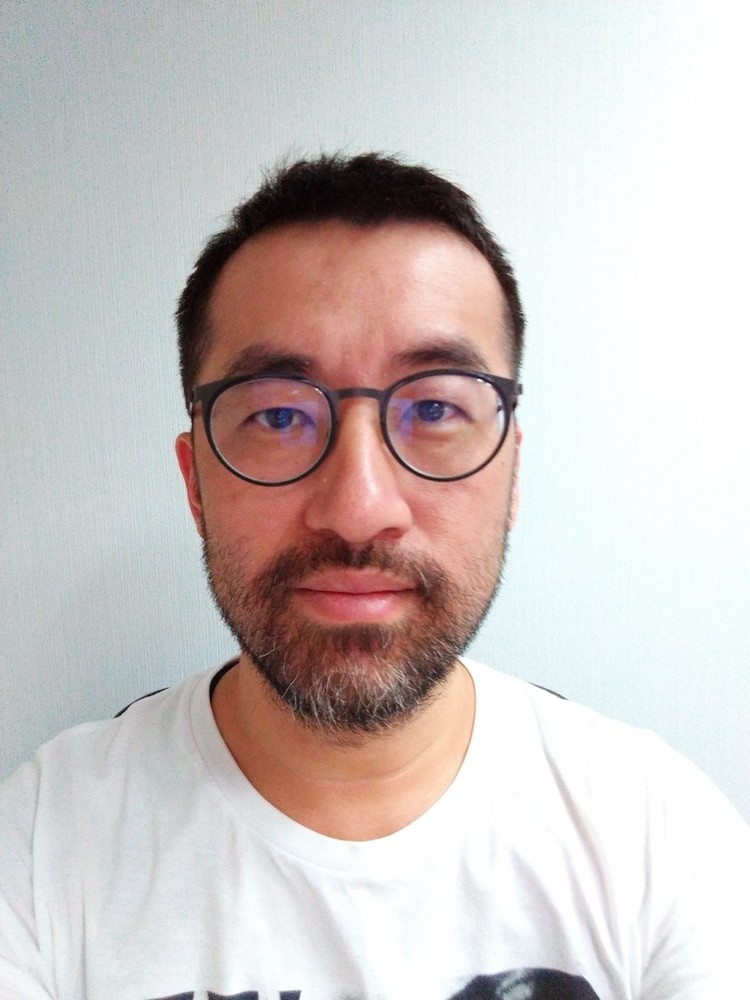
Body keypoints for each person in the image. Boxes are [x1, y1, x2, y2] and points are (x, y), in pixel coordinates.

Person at [0, 153, 747, 1000]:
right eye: (278, 415)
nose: (358, 509)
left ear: (511, 472)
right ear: (195, 482)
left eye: (434, 408)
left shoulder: (657, 836)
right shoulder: (42, 843)